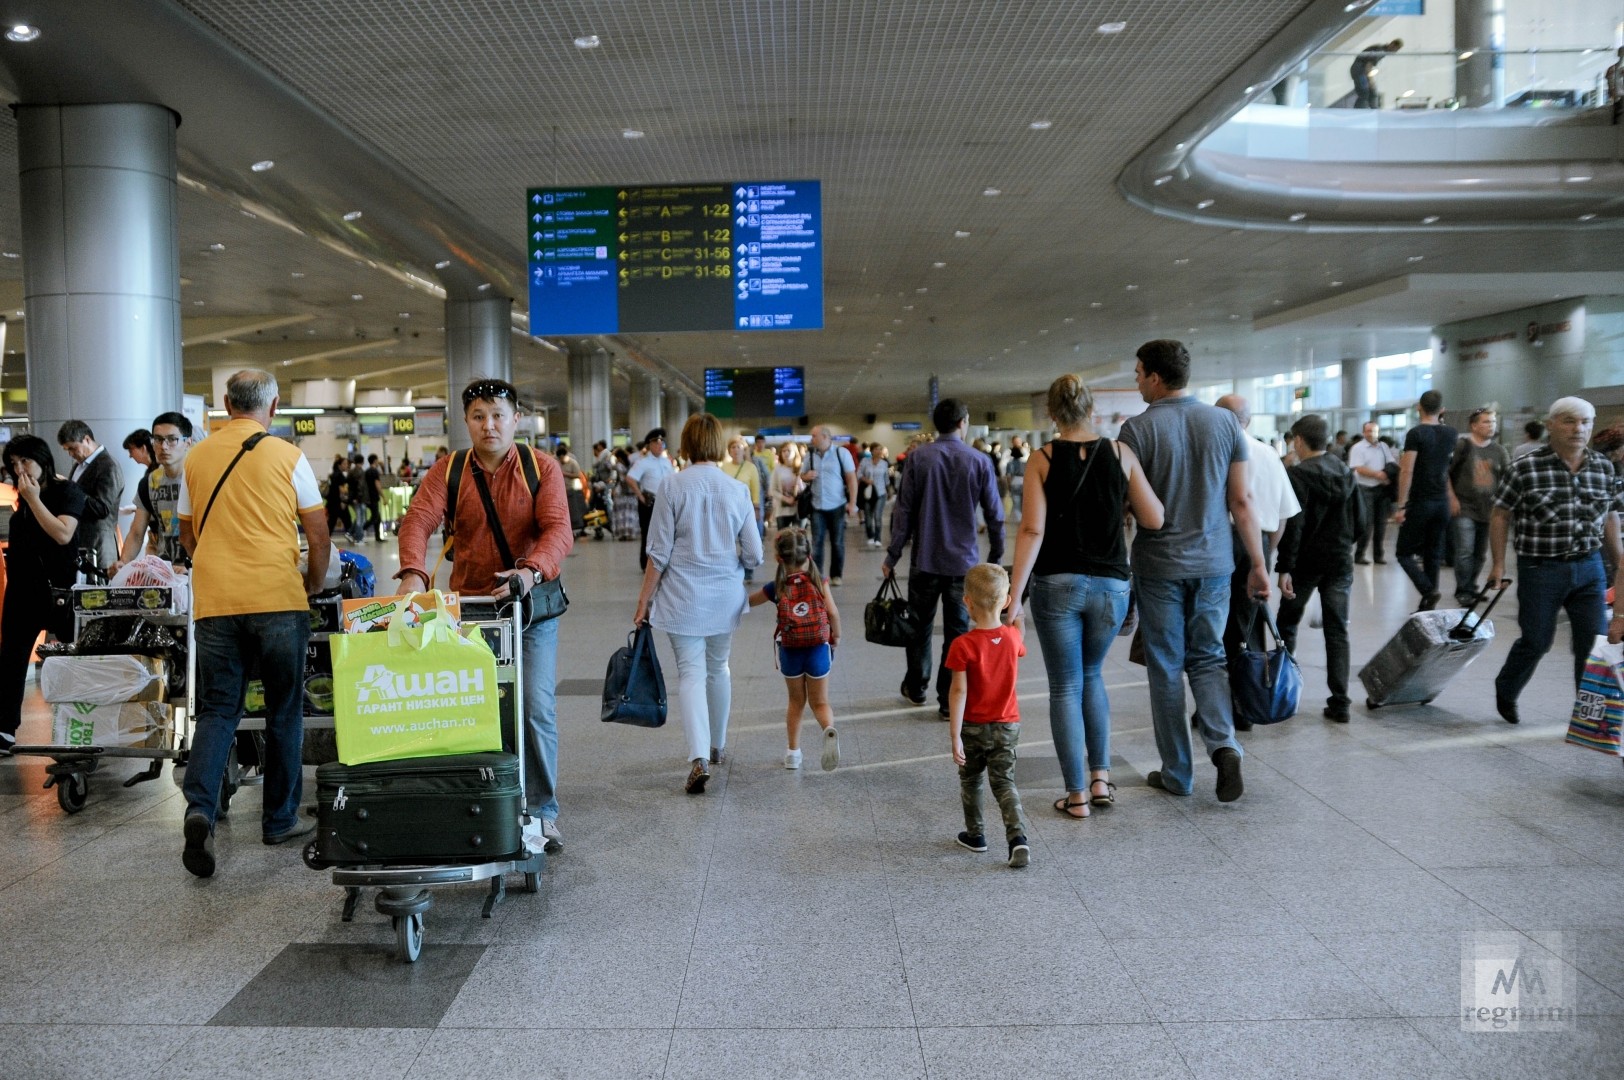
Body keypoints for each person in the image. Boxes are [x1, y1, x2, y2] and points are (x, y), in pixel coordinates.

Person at [396, 378, 574, 852]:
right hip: (471, 609)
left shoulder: (542, 468)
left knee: (534, 706)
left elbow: (558, 528)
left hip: (531, 608)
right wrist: (413, 571)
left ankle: (542, 811)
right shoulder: (449, 470)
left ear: (517, 418)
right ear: (467, 422)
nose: (489, 425)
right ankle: (480, 799)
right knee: (476, 708)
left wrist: (530, 571)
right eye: (478, 416)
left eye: (498, 415)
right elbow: (419, 519)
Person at [176, 369, 329, 877]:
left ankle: (200, 809)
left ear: (224, 404)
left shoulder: (196, 456)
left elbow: (187, 535)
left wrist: (216, 565)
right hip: (277, 596)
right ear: (275, 405)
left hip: (216, 601)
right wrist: (312, 579)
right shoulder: (288, 455)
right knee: (285, 709)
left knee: (219, 709)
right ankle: (279, 819)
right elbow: (318, 529)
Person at [1007, 374, 1163, 819]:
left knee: (1065, 686)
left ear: (1052, 414)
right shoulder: (1120, 453)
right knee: (1092, 677)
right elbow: (1154, 518)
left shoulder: (1042, 458)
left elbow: (1032, 530)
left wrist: (1014, 596)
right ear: (1092, 409)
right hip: (1112, 585)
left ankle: (1075, 796)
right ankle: (1100, 779)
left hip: (1057, 584)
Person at [1120, 339, 1268, 803]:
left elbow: (1130, 508)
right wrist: (1259, 564)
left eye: (1139, 373)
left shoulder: (1136, 430)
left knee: (1165, 666)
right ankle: (1224, 746)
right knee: (1208, 659)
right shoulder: (1226, 422)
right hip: (1215, 564)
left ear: (1156, 378)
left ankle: (1178, 774)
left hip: (1159, 565)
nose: (1137, 380)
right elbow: (1242, 502)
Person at [634, 413, 763, 793]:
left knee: (689, 674)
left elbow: (657, 554)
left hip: (681, 598)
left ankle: (698, 759)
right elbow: (754, 555)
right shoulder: (736, 489)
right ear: (720, 445)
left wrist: (644, 602)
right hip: (725, 598)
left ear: (686, 445)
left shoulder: (671, 486)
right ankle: (718, 745)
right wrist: (731, 562)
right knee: (718, 667)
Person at [1490, 397, 1624, 725]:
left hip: (1589, 566)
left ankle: (1590, 716)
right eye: (1569, 421)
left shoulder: (1603, 467)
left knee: (1592, 645)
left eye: (1585, 422)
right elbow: (1499, 514)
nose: (1578, 429)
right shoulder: (1525, 467)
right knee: (1536, 640)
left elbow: (1609, 516)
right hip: (1540, 567)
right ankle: (1506, 687)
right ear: (1551, 425)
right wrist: (1498, 564)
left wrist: (1620, 560)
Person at [884, 398, 1005, 718]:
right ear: (963, 422)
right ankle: (947, 700)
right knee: (957, 632)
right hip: (963, 567)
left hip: (924, 561)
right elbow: (995, 514)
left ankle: (917, 686)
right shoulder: (979, 461)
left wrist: (893, 554)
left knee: (919, 628)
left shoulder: (918, 458)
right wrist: (996, 554)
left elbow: (904, 510)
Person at [1211, 394, 1300, 730]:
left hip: (1220, 542)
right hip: (1256, 542)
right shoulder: (1267, 454)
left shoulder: (1217, 452)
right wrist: (1265, 554)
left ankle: (1221, 707)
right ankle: (1251, 702)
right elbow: (1282, 516)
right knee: (1250, 626)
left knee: (1217, 627)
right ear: (1247, 419)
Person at [0, 436, 86, 755]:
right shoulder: (21, 505)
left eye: (26, 462)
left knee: (72, 660)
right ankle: (4, 728)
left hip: (59, 593)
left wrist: (34, 500)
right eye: (14, 464)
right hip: (22, 592)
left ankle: (79, 726)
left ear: (43, 461)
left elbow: (64, 534)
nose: (20, 470)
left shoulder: (67, 492)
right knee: (11, 658)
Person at [1274, 415, 1361, 722]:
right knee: (1337, 631)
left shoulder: (1296, 475)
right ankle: (1340, 702)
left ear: (1298, 440)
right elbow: (1360, 523)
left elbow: (1294, 526)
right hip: (1339, 562)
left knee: (1286, 625)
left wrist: (1285, 567)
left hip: (1305, 564)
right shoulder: (1346, 472)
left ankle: (1283, 693)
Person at [946, 564, 1029, 869]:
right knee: (1004, 783)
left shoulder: (962, 645)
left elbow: (958, 693)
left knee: (971, 780)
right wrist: (1017, 615)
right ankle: (1017, 838)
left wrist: (955, 735)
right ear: (1006, 601)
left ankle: (976, 835)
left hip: (973, 727)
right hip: (1008, 725)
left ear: (966, 601)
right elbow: (1020, 636)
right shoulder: (1011, 638)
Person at [748, 527, 841, 771]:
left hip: (790, 651)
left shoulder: (775, 587)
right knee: (820, 703)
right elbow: (832, 612)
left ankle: (793, 754)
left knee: (796, 702)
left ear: (779, 558)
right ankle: (828, 730)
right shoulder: (818, 581)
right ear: (808, 555)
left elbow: (748, 602)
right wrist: (836, 636)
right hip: (818, 649)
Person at [1394, 390, 1458, 611]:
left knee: (1403, 553)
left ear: (1418, 407)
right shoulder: (1451, 433)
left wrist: (1401, 504)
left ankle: (1428, 591)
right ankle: (1427, 608)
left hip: (1421, 502)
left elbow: (1407, 470)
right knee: (1433, 553)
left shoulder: (1416, 434)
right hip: (1441, 502)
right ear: (1442, 410)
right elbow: (1446, 468)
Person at [111, 411, 192, 572]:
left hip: (196, 569)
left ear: (187, 443)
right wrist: (124, 562)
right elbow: (136, 532)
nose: (164, 446)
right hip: (165, 568)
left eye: (172, 439)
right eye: (158, 439)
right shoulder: (149, 482)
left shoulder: (200, 477)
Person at [1448, 407, 1510, 607]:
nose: (1491, 426)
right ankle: (1463, 589)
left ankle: (1471, 586)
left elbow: (1507, 479)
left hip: (1490, 510)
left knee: (1480, 553)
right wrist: (1452, 498)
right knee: (1465, 550)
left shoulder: (1499, 451)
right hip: (1465, 507)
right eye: (1486, 422)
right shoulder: (1462, 446)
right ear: (1473, 425)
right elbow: (1445, 474)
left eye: (1493, 422)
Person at [58, 420, 124, 573]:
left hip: (99, 546)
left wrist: (71, 490)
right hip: (79, 544)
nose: (71, 454)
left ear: (87, 439)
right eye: (67, 450)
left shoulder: (108, 465)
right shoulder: (79, 465)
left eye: (73, 448)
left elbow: (102, 508)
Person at [800, 425, 858, 585]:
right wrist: (806, 476)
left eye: (814, 436)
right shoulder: (810, 455)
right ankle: (817, 576)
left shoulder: (842, 453)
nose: (811, 439)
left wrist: (853, 503)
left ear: (825, 437)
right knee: (817, 542)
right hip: (817, 505)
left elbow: (851, 479)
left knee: (837, 542)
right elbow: (802, 476)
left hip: (837, 505)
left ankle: (836, 575)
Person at [624, 427, 674, 571]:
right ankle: (646, 564)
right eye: (656, 443)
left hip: (665, 502)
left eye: (662, 443)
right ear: (650, 445)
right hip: (650, 501)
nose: (660, 446)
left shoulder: (666, 461)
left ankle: (663, 561)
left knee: (666, 532)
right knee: (648, 533)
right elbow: (630, 478)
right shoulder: (643, 462)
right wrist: (640, 496)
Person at [1348, 421, 1395, 564]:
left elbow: (1391, 463)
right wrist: (1378, 475)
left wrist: (1387, 475)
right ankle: (1360, 554)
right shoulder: (1358, 448)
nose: (1371, 434)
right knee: (1367, 523)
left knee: (1381, 523)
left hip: (1382, 489)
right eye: (1368, 431)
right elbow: (1358, 468)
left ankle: (1378, 555)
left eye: (1374, 431)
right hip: (1365, 488)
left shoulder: (1383, 447)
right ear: (1363, 432)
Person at [1351, 39, 1402, 109]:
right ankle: (1358, 112)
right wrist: (1370, 81)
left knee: (1372, 92)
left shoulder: (1381, 49)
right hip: (1359, 70)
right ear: (1392, 45)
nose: (1395, 52)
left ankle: (1374, 110)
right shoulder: (1380, 51)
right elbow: (1368, 66)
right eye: (1395, 49)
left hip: (1360, 70)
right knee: (1365, 92)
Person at [859, 440, 889, 548]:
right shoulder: (865, 461)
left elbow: (886, 479)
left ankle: (878, 538)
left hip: (880, 493)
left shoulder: (884, 463)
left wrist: (888, 490)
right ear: (872, 451)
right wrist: (866, 480)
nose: (879, 451)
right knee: (868, 517)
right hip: (868, 493)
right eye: (877, 449)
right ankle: (870, 536)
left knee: (877, 516)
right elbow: (859, 474)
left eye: (880, 449)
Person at [769, 442, 802, 529]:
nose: (786, 453)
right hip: (782, 510)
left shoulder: (801, 468)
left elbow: (806, 488)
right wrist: (786, 499)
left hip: (799, 509)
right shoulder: (777, 469)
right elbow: (772, 490)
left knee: (799, 538)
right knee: (783, 538)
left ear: (795, 452)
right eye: (784, 451)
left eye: (789, 450)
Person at [345, 453, 368, 543]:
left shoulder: (351, 471)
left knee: (359, 518)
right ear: (362, 461)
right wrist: (358, 497)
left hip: (354, 498)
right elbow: (360, 486)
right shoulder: (360, 471)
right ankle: (358, 538)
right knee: (360, 519)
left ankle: (350, 533)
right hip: (359, 499)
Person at [326, 454, 350, 534]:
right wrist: (343, 501)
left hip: (332, 502)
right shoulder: (339, 475)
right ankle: (351, 535)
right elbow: (342, 490)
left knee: (332, 521)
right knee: (347, 520)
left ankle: (326, 538)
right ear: (339, 465)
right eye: (345, 464)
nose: (347, 465)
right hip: (338, 503)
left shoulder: (334, 474)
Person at [364, 453, 384, 540]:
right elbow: (377, 484)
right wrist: (383, 496)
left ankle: (378, 536)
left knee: (377, 517)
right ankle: (360, 529)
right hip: (374, 497)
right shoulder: (374, 471)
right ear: (375, 460)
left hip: (368, 496)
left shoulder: (367, 471)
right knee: (375, 517)